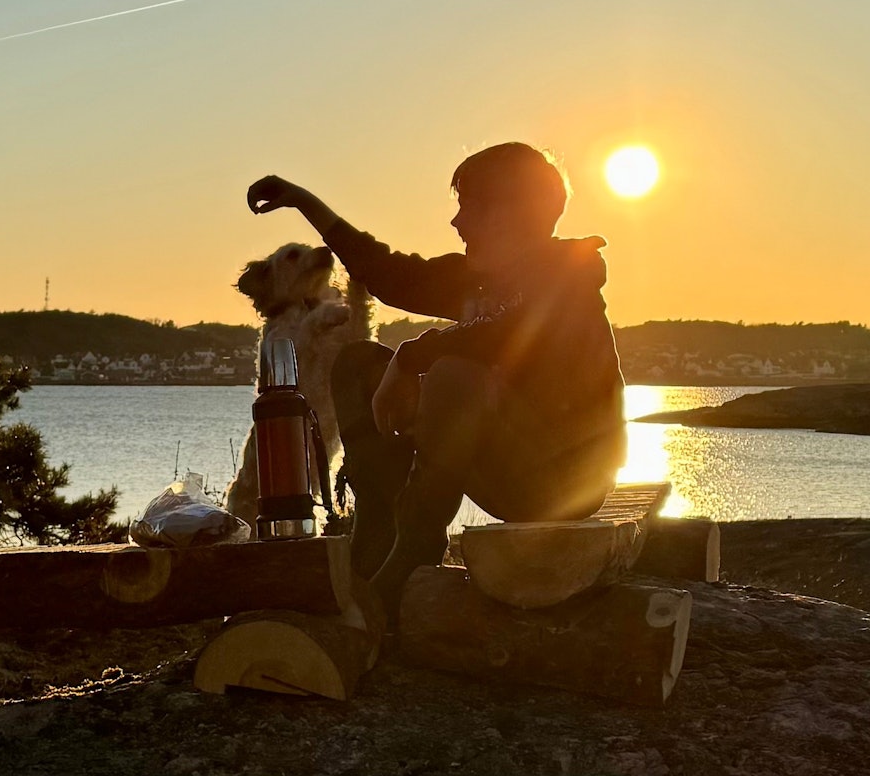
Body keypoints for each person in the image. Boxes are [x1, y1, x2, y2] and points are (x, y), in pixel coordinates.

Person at [246, 142, 626, 616]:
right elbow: (385, 272)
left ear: (510, 213)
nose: (457, 222)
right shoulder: (475, 280)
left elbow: (507, 332)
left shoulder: (568, 277)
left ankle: (415, 549)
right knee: (359, 364)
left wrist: (411, 358)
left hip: (565, 482)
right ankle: (378, 531)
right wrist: (303, 200)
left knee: (453, 376)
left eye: (469, 207)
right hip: (502, 465)